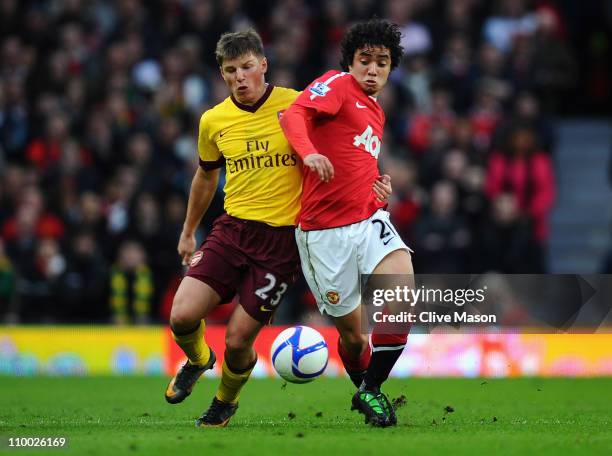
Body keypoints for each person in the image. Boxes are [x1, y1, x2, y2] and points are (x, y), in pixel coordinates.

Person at [164, 28, 394, 428]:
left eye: (248, 67)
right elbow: (205, 176)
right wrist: (188, 230)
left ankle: (224, 402)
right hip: (232, 230)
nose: (240, 76)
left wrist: (373, 183)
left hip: (282, 243)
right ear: (221, 74)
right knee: (181, 316)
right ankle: (199, 359)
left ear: (263, 66)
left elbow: (348, 142)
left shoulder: (297, 104)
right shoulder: (213, 121)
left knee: (238, 341)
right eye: (231, 70)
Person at [280, 19, 414, 428]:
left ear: (391, 68)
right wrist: (308, 154)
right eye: (365, 60)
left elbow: (353, 156)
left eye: (382, 62)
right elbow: (292, 117)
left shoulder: (376, 110)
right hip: (323, 234)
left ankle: (371, 390)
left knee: (403, 297)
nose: (373, 69)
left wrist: (376, 183)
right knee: (354, 339)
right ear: (350, 62)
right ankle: (365, 388)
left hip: (368, 220)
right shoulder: (337, 85)